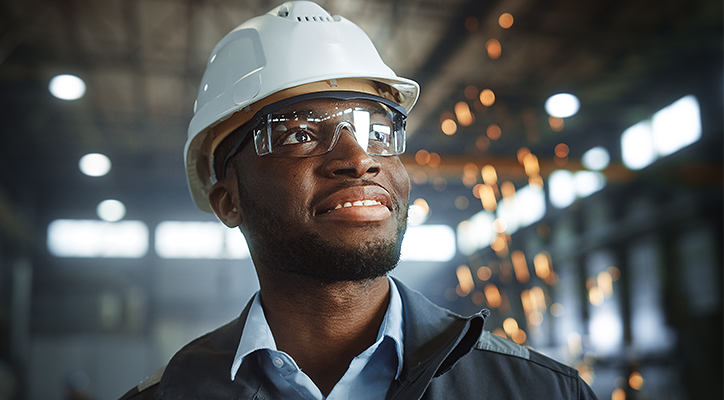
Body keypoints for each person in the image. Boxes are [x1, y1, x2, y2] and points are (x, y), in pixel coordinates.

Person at [120, 2, 597, 399]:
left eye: (378, 131)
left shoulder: (541, 390)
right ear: (229, 201)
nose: (358, 158)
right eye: (299, 133)